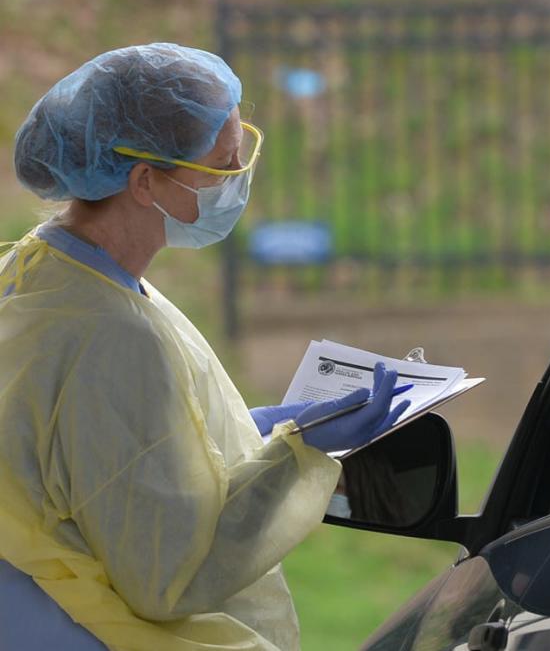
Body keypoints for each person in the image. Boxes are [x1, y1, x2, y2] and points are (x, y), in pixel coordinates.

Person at [0, 43, 409, 650]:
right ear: (144, 181)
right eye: (222, 167)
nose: (237, 181)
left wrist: (243, 430)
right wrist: (296, 456)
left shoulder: (39, 267)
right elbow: (169, 572)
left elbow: (98, 453)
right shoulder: (111, 333)